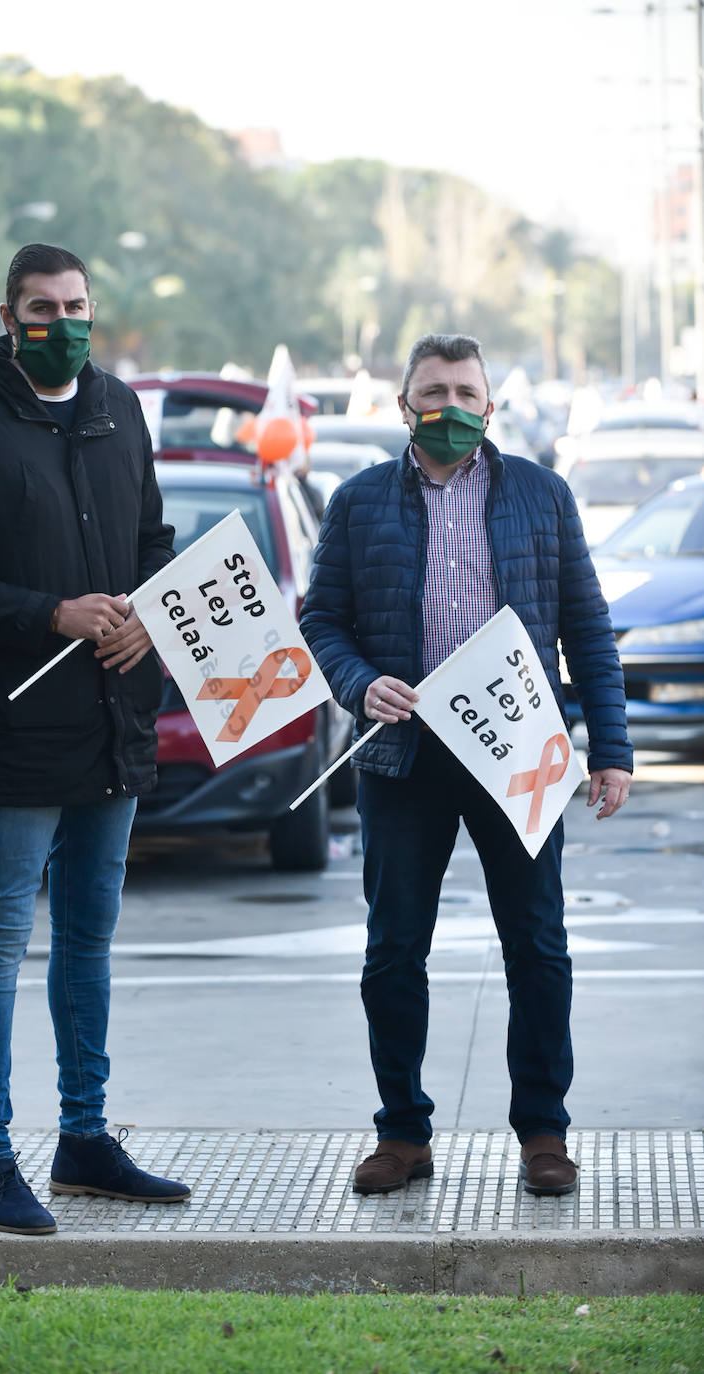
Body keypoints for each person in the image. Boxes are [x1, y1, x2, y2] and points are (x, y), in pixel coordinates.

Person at [0, 243, 190, 1235]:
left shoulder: (119, 408)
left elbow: (153, 543)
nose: (59, 322)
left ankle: (85, 1141)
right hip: (14, 727)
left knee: (90, 943)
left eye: (75, 307)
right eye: (38, 308)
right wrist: (47, 613)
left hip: (113, 725)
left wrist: (147, 608)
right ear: (5, 315)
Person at [300, 333, 632, 1198]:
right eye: (433, 392)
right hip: (403, 760)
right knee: (393, 951)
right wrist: (358, 681)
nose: (450, 408)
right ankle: (403, 1135)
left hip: (520, 755)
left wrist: (613, 750)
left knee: (538, 947)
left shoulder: (542, 496)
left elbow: (587, 629)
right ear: (405, 405)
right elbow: (321, 619)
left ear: (491, 406)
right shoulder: (360, 500)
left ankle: (544, 1132)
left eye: (466, 393)